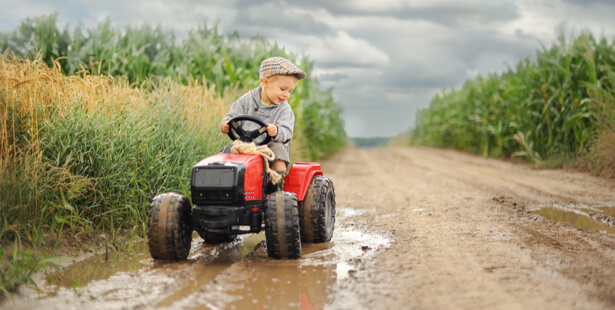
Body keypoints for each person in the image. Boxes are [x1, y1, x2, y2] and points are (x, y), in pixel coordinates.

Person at [220, 56, 305, 187]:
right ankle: (226, 186)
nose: (286, 95)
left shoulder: (284, 109)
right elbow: (233, 115)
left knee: (278, 150)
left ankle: (277, 187)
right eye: (283, 89)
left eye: (290, 91)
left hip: (270, 146)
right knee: (226, 151)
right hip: (246, 145)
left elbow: (287, 132)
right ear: (265, 83)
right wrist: (226, 124)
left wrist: (277, 130)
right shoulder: (246, 100)